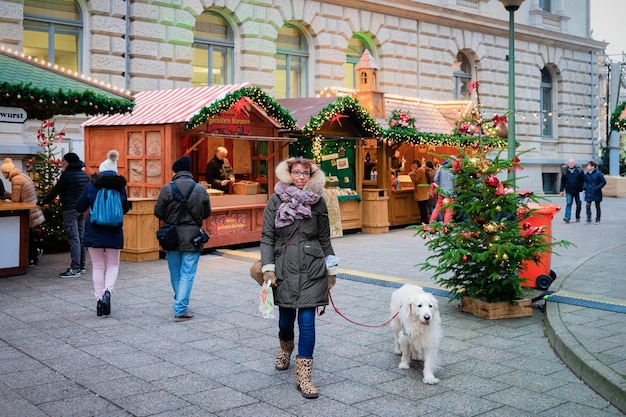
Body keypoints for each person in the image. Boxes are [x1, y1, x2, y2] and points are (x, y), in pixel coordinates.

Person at [260, 156, 338, 399]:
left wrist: (331, 268)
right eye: (297, 172)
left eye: (306, 173)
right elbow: (267, 237)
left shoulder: (319, 202)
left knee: (307, 323)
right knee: (285, 321)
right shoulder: (275, 199)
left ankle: (304, 376)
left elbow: (325, 237)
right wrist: (268, 268)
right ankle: (286, 348)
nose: (301, 177)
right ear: (288, 173)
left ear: (312, 175)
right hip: (284, 268)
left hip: (313, 267)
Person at [154, 156, 211, 322]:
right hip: (193, 237)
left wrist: (171, 217)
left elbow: (158, 212)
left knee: (175, 272)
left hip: (171, 236)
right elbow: (206, 212)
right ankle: (180, 308)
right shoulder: (200, 189)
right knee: (188, 273)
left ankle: (180, 303)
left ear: (175, 171)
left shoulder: (167, 188)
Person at [75, 150, 130, 316]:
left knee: (98, 266)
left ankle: (100, 300)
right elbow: (125, 208)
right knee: (113, 264)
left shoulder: (92, 185)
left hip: (94, 229)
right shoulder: (120, 187)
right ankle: (108, 292)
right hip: (114, 230)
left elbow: (79, 206)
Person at [39, 152, 89, 277]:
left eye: (64, 161)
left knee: (74, 238)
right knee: (81, 237)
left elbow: (55, 191)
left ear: (68, 162)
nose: (62, 163)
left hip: (70, 209)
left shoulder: (67, 175)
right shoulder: (83, 174)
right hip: (81, 209)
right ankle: (82, 266)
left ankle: (75, 268)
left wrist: (43, 202)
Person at [1, 158, 45, 265]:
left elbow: (16, 200)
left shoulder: (16, 179)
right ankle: (33, 255)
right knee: (28, 235)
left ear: (7, 172)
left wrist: (4, 195)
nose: (4, 176)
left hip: (28, 212)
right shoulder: (22, 176)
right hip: (33, 209)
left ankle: (32, 256)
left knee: (26, 235)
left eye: (3, 173)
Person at [429, 160, 456, 224]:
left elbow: (435, 179)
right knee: (449, 210)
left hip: (441, 191)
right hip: (450, 192)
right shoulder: (454, 170)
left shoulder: (441, 168)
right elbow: (456, 181)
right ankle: (446, 225)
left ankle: (431, 222)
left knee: (437, 208)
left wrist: (439, 185)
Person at [559, 159, 584, 223]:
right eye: (569, 163)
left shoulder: (580, 170)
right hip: (569, 190)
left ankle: (577, 217)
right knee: (568, 203)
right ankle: (567, 217)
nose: (570, 164)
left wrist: (584, 189)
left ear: (574, 164)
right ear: (567, 164)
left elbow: (583, 180)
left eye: (572, 163)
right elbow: (562, 181)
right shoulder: (565, 171)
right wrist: (561, 190)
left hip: (579, 190)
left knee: (578, 205)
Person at [582, 160, 606, 225]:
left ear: (593, 167)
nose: (587, 167)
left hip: (596, 192)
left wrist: (597, 188)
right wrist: (584, 188)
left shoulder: (598, 173)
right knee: (587, 205)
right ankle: (588, 218)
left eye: (588, 165)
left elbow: (603, 182)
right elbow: (585, 182)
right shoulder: (587, 174)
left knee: (597, 205)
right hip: (588, 192)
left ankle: (598, 219)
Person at [408, 159, 430, 224]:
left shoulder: (420, 171)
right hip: (423, 192)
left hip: (421, 192)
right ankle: (423, 221)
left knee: (422, 208)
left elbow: (415, 180)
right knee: (422, 208)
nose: (413, 166)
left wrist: (411, 174)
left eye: (414, 165)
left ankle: (424, 221)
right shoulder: (420, 170)